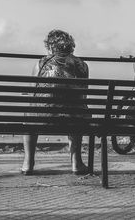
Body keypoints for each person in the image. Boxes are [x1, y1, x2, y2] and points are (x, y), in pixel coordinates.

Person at [21, 29, 89, 175]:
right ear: (70, 45)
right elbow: (83, 95)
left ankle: (28, 163)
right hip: (74, 119)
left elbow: (33, 94)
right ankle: (76, 163)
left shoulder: (41, 63)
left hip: (44, 119)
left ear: (51, 46)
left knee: (30, 115)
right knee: (77, 110)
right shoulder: (82, 65)